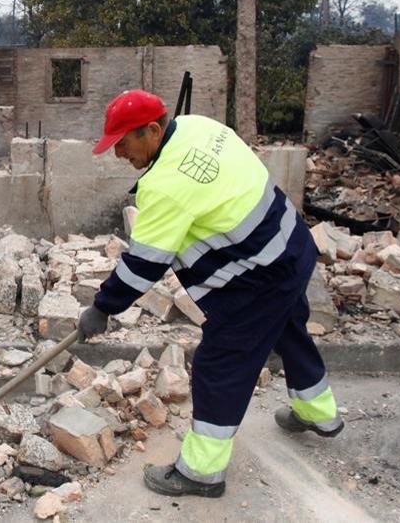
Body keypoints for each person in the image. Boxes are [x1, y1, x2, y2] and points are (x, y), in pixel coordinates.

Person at [78, 89, 342, 498]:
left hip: (258, 279)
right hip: (291, 246)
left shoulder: (165, 184)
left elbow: (145, 263)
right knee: (289, 330)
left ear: (151, 130)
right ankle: (319, 413)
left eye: (123, 143)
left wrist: (101, 307)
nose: (118, 155)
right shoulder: (200, 127)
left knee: (218, 366)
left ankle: (200, 472)